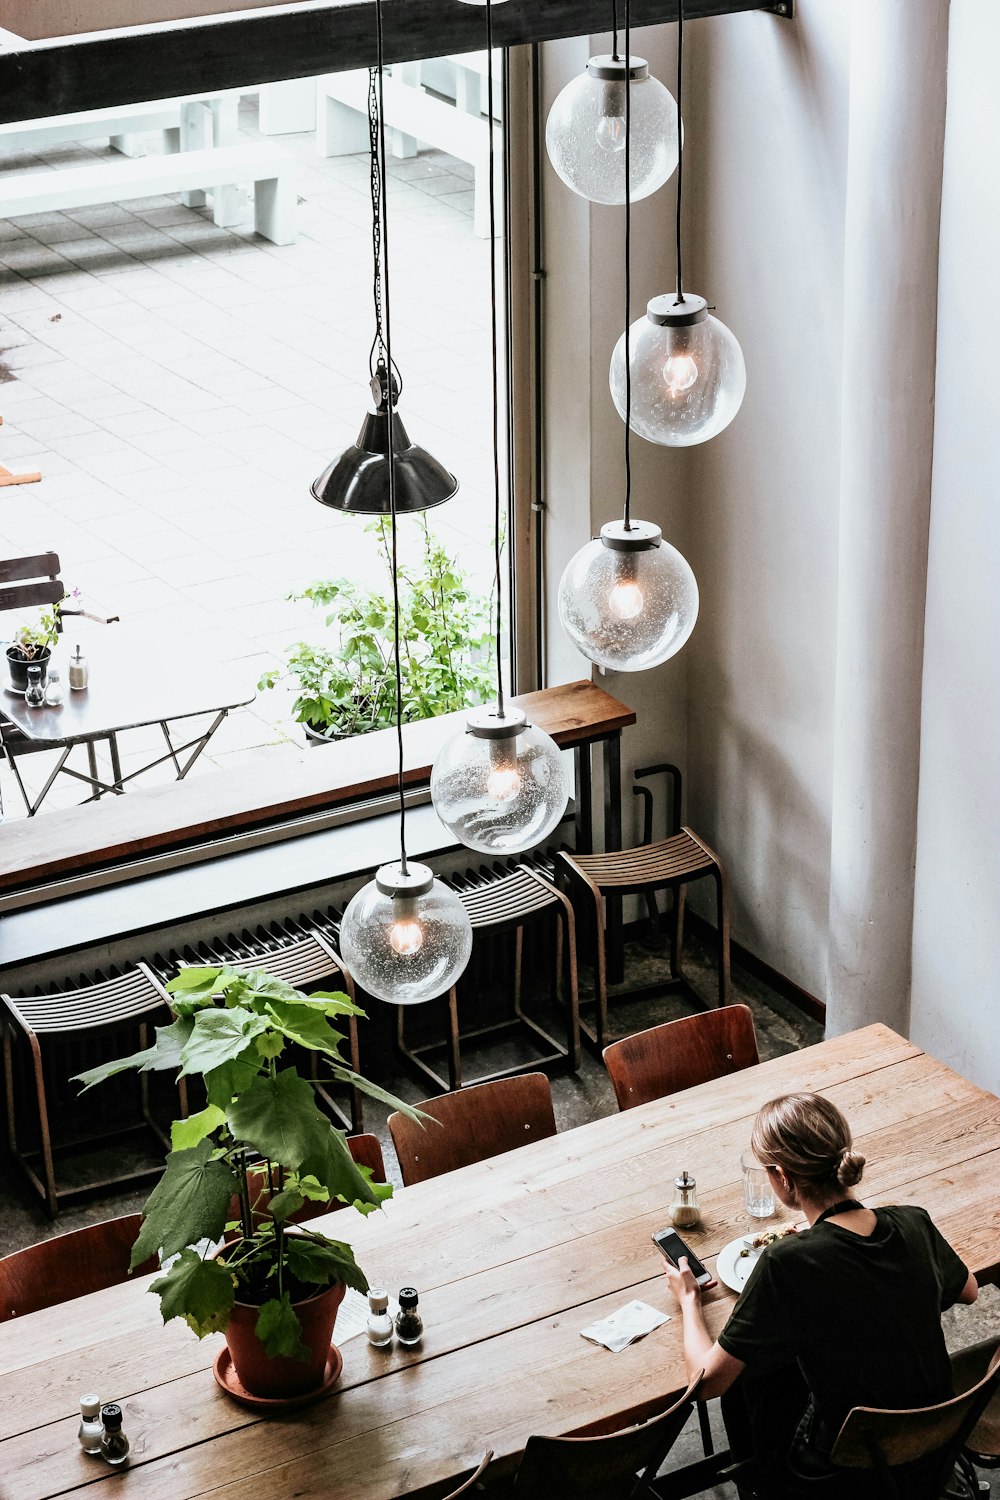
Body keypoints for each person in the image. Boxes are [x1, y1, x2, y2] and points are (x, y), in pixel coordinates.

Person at [661, 1091, 978, 1498]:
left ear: (783, 1178)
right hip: (934, 1439)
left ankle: (761, 1485)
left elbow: (704, 1384)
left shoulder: (786, 1263)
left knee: (745, 1388)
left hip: (843, 1467)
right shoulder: (912, 1221)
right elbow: (968, 1290)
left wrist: (689, 1299)